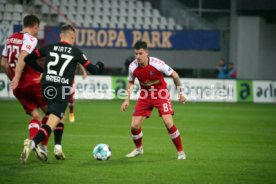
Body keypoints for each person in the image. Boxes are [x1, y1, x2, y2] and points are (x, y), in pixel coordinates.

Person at [13, 24, 104, 162]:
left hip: (46, 87)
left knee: (58, 116)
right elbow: (94, 70)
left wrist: (42, 71)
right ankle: (32, 144)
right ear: (72, 37)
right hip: (61, 90)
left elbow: (28, 59)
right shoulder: (75, 52)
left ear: (61, 35)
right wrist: (100, 65)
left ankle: (57, 147)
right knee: (52, 122)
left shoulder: (49, 47)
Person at [121, 41, 187, 160]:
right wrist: (127, 99)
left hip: (161, 94)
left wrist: (180, 92)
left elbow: (175, 75)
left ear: (146, 53)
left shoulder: (157, 63)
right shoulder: (132, 66)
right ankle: (138, 149)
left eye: (140, 53)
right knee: (134, 126)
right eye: (136, 54)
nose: (138, 57)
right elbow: (131, 82)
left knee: (168, 123)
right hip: (145, 96)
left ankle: (181, 152)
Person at [1, 14, 50, 151]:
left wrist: (13, 79)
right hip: (32, 82)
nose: (37, 31)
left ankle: (32, 144)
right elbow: (23, 55)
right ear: (35, 26)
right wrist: (17, 77)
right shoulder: (30, 39)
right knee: (52, 114)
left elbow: (3, 63)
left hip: (18, 88)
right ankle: (42, 146)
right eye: (37, 29)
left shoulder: (10, 39)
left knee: (36, 116)